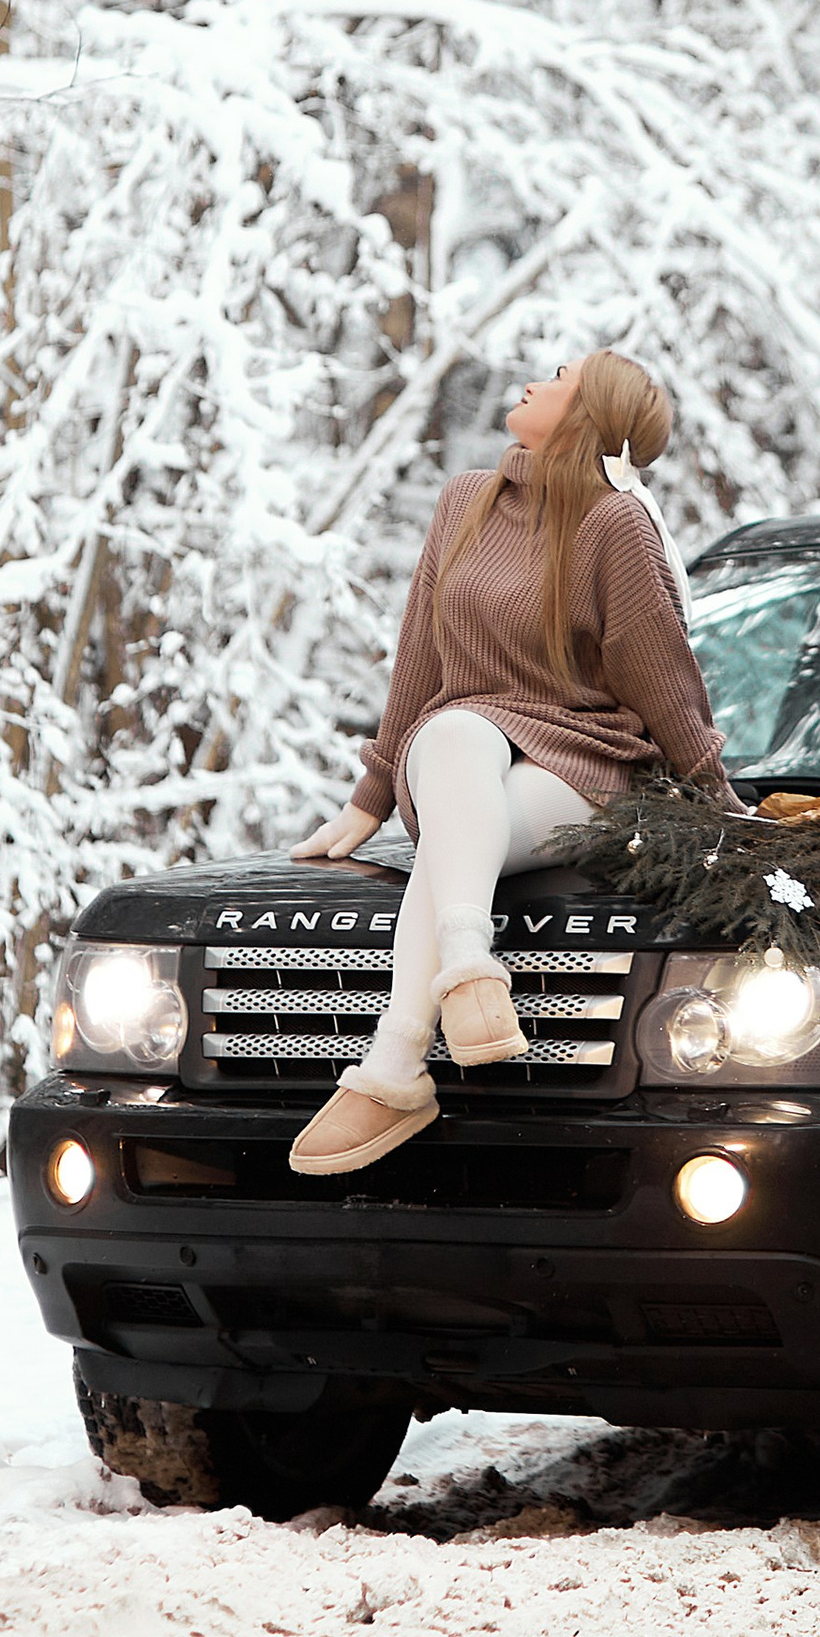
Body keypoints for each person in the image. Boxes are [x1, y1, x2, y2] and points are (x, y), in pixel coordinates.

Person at [286, 348, 728, 1177]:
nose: (535, 378)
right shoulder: (466, 502)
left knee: (452, 841)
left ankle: (395, 1069)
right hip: (464, 755)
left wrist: (716, 797)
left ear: (590, 413)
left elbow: (660, 673)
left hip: (585, 762)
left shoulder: (615, 524)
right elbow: (418, 654)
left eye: (560, 376)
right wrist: (370, 796)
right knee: (452, 731)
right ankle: (465, 964)